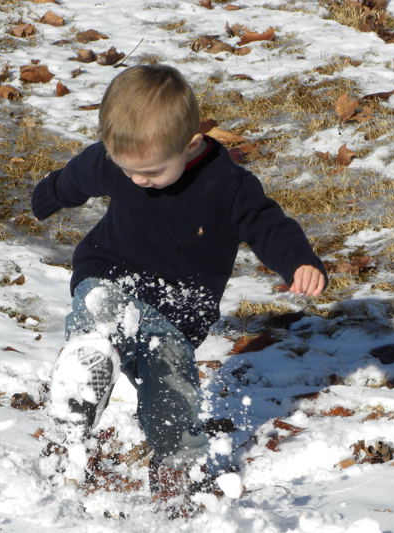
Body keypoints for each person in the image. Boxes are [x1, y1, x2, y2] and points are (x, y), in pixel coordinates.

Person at [31, 64, 326, 515]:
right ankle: (75, 413)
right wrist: (51, 193)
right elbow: (79, 175)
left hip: (177, 312)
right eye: (128, 170)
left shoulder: (228, 187)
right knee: (100, 313)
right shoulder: (118, 160)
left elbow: (268, 226)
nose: (137, 180)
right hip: (111, 274)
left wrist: (298, 261)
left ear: (190, 144)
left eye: (149, 171)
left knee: (173, 397)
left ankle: (176, 479)